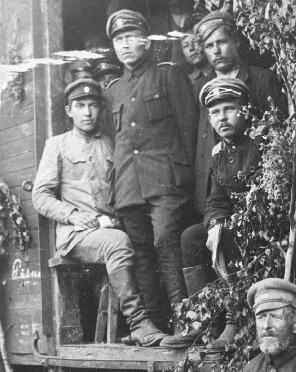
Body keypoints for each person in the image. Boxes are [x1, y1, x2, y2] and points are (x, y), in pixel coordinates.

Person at [32, 79, 166, 347]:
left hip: (110, 227)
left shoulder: (110, 144)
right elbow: (40, 196)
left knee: (148, 240)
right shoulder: (56, 145)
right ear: (69, 111)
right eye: (80, 105)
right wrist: (72, 214)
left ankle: (158, 322)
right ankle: (139, 323)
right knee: (118, 243)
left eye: (92, 105)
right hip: (76, 235)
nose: (87, 111)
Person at [104, 8, 199, 347]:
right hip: (128, 185)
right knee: (141, 250)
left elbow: (190, 130)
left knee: (166, 243)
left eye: (131, 37)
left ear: (145, 39)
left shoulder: (168, 75)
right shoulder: (113, 90)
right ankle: (153, 327)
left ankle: (185, 320)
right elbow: (116, 144)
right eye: (118, 39)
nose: (126, 45)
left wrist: (186, 178)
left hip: (166, 179)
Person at [181, 76, 261, 349]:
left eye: (228, 109)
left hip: (260, 229)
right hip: (231, 225)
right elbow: (216, 199)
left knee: (227, 232)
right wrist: (214, 222)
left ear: (245, 109)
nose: (222, 118)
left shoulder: (261, 143)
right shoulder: (219, 153)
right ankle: (203, 319)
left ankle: (234, 320)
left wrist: (225, 224)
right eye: (215, 112)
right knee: (190, 237)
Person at [192, 10, 288, 218]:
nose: (216, 51)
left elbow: (279, 137)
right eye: (209, 46)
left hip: (257, 187)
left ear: (235, 41)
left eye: (222, 42)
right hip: (217, 186)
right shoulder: (202, 87)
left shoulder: (262, 80)